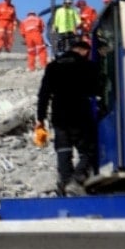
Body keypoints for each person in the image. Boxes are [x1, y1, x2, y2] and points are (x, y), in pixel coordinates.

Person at [36, 39, 101, 195]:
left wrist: (41, 118)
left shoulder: (53, 67)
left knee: (63, 150)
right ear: (84, 51)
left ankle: (66, 185)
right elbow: (97, 89)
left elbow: (44, 94)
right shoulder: (88, 66)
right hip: (80, 114)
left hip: (59, 115)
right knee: (89, 151)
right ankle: (76, 180)